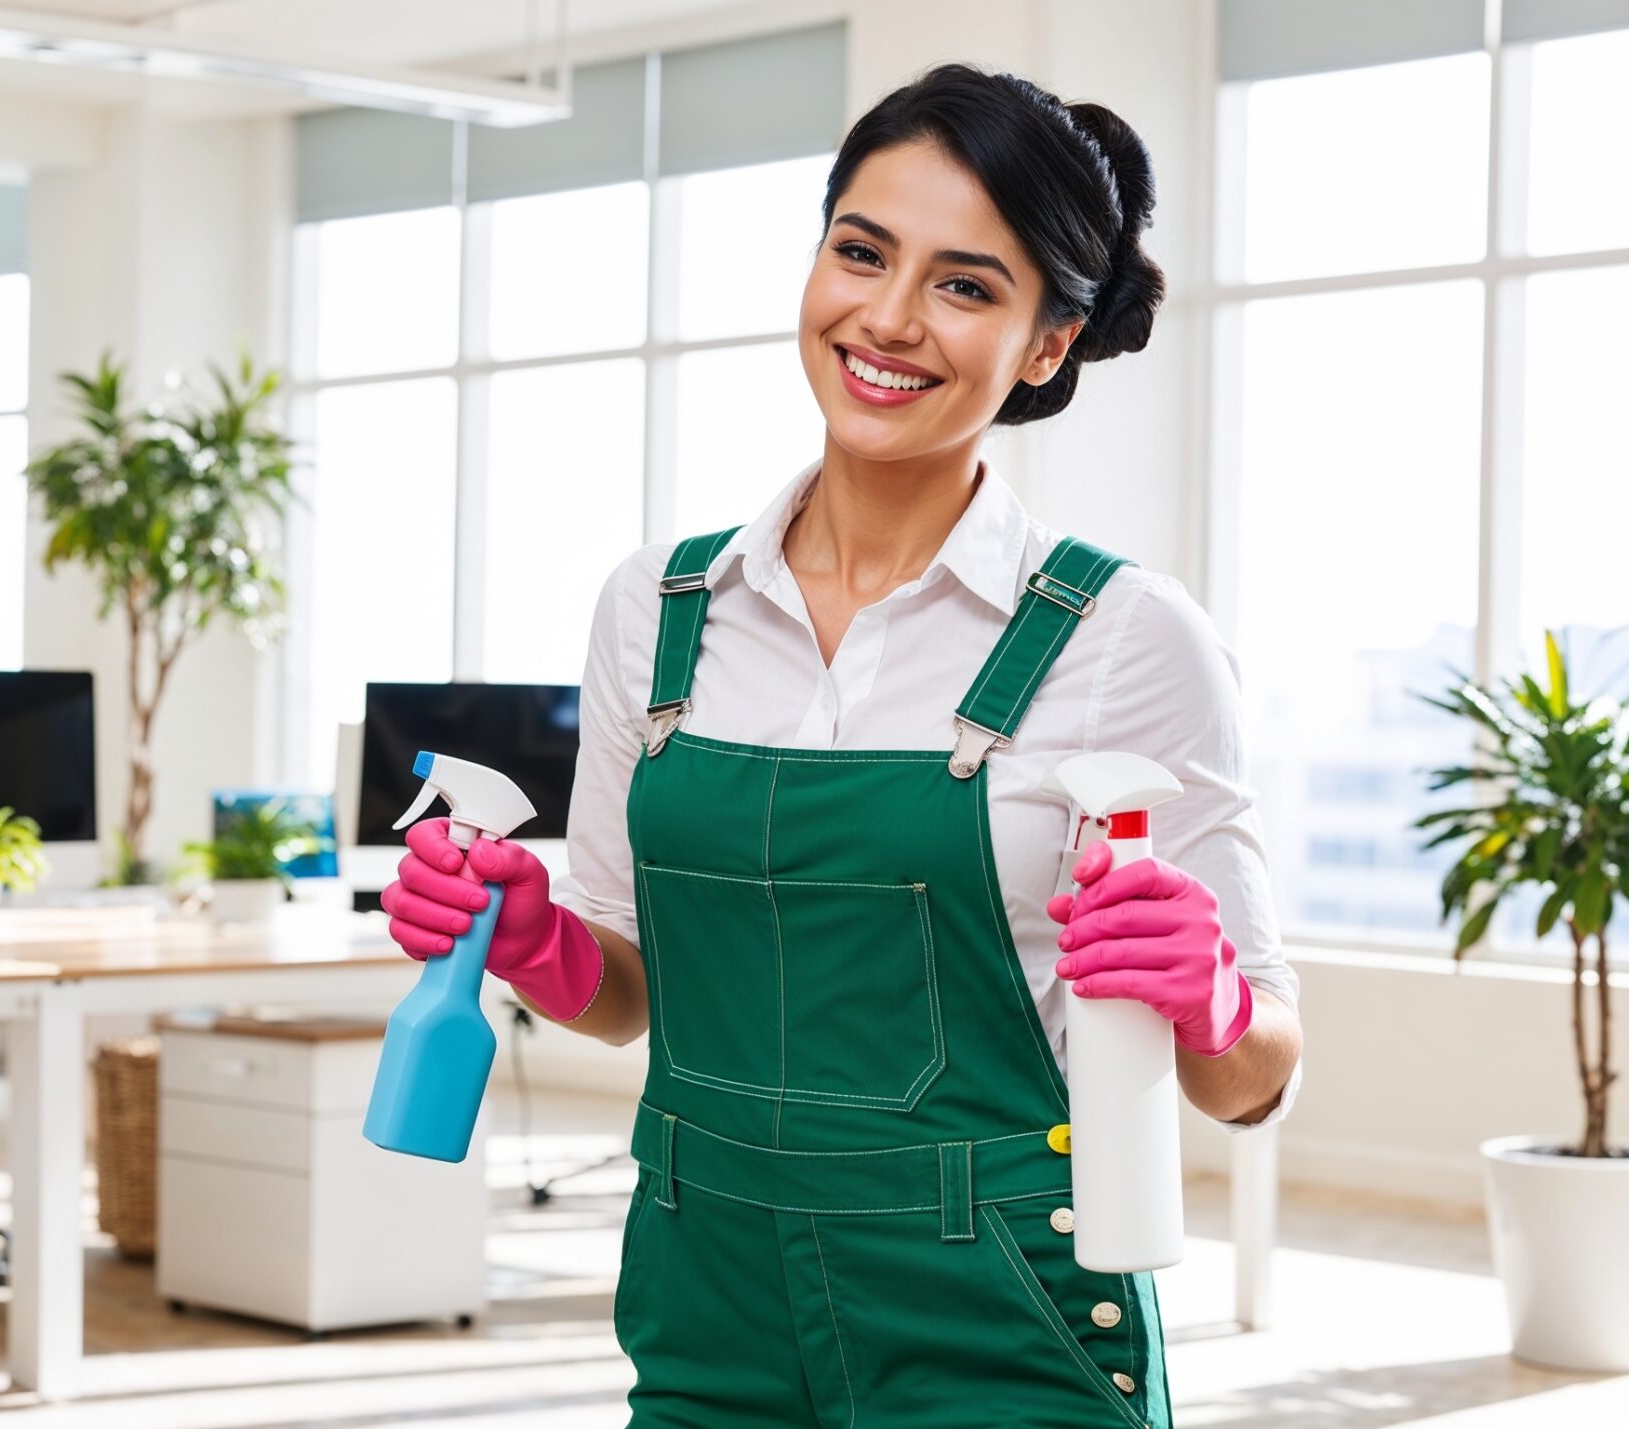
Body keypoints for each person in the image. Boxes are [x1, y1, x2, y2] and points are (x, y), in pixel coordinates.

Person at [380, 61, 1303, 1429]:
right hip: (709, 1306)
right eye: (860, 252)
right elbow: (632, 991)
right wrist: (532, 938)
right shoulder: (658, 608)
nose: (887, 317)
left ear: (1048, 343)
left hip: (998, 1313)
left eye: (966, 284)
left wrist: (1211, 996)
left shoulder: (1124, 636)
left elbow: (1256, 1077)